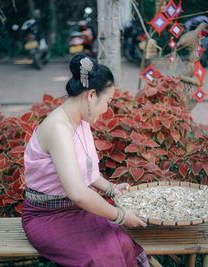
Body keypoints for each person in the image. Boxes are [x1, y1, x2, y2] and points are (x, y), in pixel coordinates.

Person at [21, 54, 149, 267]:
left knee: (123, 242)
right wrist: (121, 216)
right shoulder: (58, 129)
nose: (107, 109)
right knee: (100, 256)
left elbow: (85, 171)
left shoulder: (79, 121)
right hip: (46, 217)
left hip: (76, 211)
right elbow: (78, 193)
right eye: (107, 101)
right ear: (91, 95)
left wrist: (110, 189)